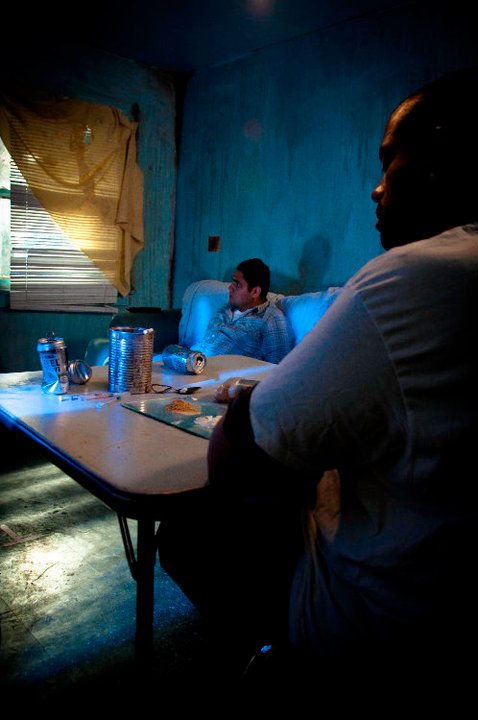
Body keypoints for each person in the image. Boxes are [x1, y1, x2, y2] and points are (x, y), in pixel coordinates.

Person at [157, 68, 478, 701]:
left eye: (391, 163)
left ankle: (285, 669)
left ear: (441, 157)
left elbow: (244, 449)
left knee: (188, 530)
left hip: (375, 617)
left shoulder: (407, 279)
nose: (376, 188)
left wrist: (245, 403)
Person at [190, 257, 293, 364]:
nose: (230, 288)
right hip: (192, 362)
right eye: (232, 282)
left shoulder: (271, 318)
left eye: (238, 284)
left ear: (255, 292)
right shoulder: (225, 309)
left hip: (218, 376)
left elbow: (278, 367)